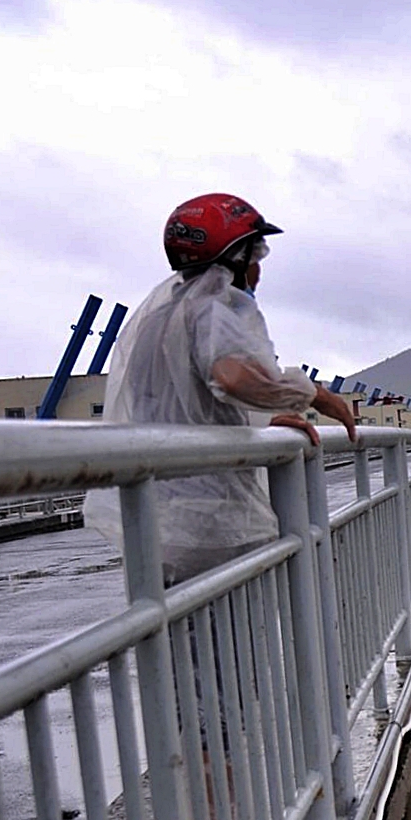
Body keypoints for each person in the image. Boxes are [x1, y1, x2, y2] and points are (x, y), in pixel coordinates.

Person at [85, 192, 357, 583]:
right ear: (236, 257)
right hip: (214, 523)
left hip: (158, 518)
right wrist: (313, 394)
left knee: (177, 636)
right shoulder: (215, 309)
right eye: (256, 258)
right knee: (239, 636)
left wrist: (260, 419)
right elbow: (231, 376)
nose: (258, 272)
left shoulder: (157, 319)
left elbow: (186, 403)